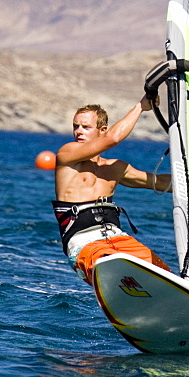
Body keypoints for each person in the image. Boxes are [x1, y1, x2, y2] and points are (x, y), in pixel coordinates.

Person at [52, 97, 171, 284]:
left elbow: (159, 183)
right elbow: (113, 139)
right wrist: (141, 106)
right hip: (84, 242)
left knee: (163, 274)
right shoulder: (67, 155)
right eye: (76, 126)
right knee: (114, 269)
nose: (79, 132)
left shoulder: (115, 168)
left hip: (117, 237)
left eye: (86, 127)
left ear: (102, 130)